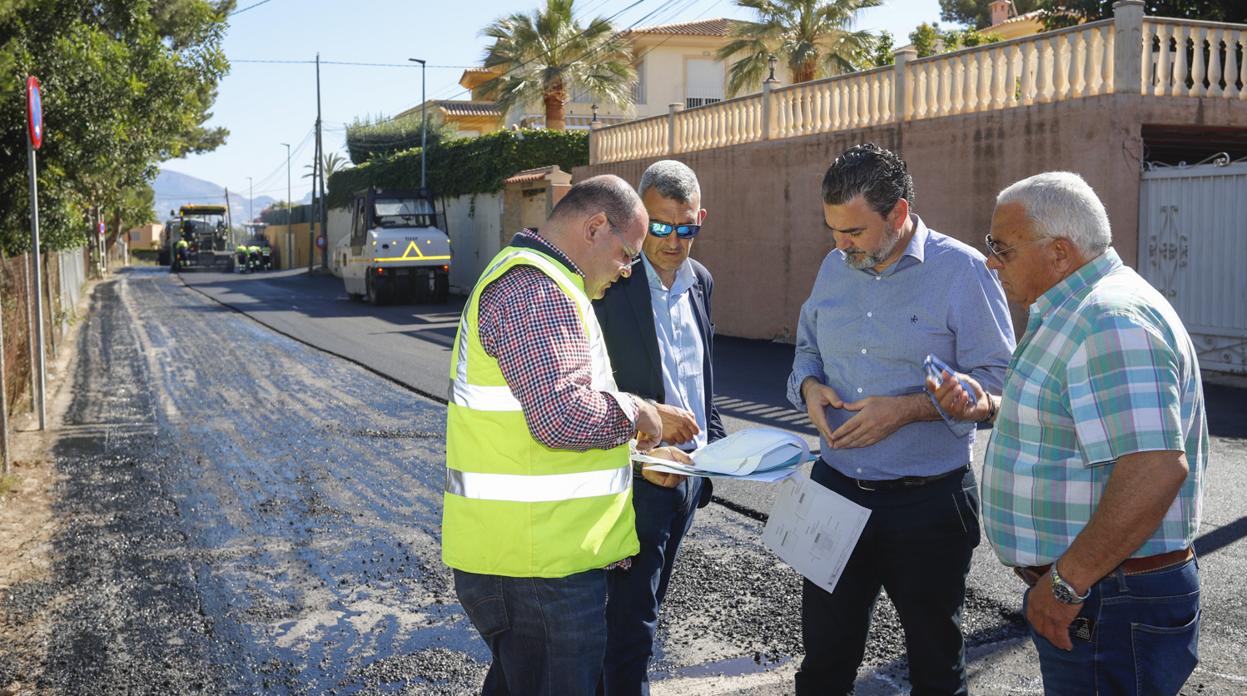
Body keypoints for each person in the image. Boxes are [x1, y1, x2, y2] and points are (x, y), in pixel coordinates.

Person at [927, 171, 1208, 694]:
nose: (991, 261)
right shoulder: (1076, 308)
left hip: (1107, 598)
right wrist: (988, 406)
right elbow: (1072, 418)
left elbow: (1153, 468)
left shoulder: (1110, 320)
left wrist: (1065, 583)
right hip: (1101, 595)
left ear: (1059, 252)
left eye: (1001, 248)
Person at [443, 174, 688, 696]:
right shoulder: (537, 288)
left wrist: (637, 459)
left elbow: (537, 431)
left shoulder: (546, 286)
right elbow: (561, 417)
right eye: (627, 254)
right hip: (538, 571)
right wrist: (640, 411)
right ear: (596, 226)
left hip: (532, 561)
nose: (627, 272)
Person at [786, 143, 1015, 695]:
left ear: (899, 214)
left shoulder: (964, 272)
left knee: (936, 669)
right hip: (833, 491)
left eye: (854, 232)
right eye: (832, 230)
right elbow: (806, 352)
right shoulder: (832, 265)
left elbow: (1002, 385)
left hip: (928, 503)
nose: (840, 245)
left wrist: (909, 409)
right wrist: (810, 387)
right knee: (822, 663)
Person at [593, 160, 724, 696]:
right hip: (636, 484)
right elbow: (594, 387)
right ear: (642, 219)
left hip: (687, 481)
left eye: (686, 227)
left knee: (645, 613)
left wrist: (707, 466)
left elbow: (702, 376)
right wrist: (641, 455)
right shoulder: (611, 285)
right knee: (629, 627)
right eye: (662, 227)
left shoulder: (703, 283)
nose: (673, 241)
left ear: (701, 220)